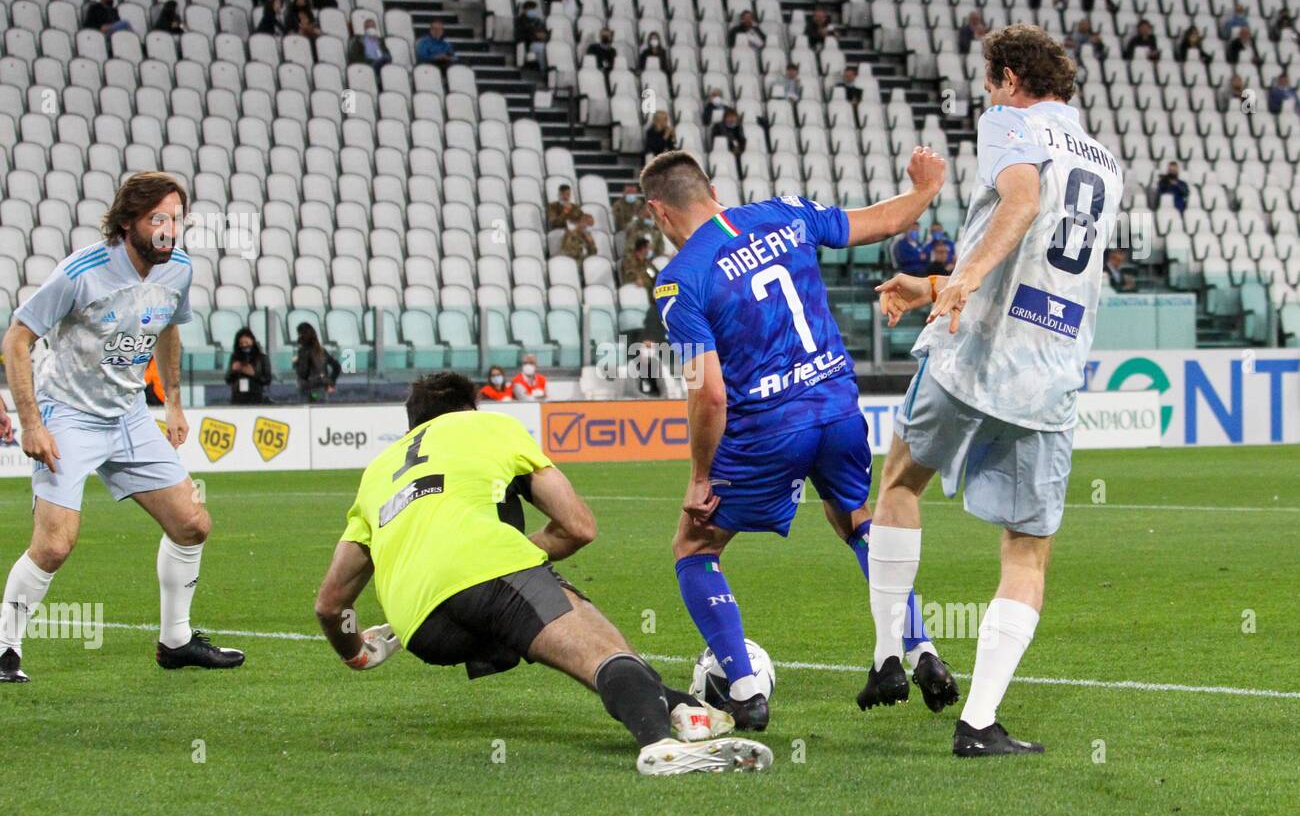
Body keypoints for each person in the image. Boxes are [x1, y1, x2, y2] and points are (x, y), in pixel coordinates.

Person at [871, 24, 1124, 756]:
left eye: (989, 79)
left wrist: (965, 285)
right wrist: (937, 285)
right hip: (1049, 370)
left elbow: (1020, 200)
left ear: (1011, 77)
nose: (986, 92)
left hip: (971, 353)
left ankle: (890, 651)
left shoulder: (1011, 123)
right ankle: (978, 723)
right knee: (1027, 550)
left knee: (897, 483)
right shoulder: (1106, 161)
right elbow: (1047, 253)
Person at [640, 145, 954, 732]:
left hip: (766, 430)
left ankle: (743, 686)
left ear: (659, 212)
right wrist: (926, 189)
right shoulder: (787, 212)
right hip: (837, 408)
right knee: (856, 519)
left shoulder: (678, 284)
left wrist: (701, 475)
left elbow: (707, 394)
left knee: (694, 548)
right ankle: (919, 649)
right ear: (709, 189)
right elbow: (885, 222)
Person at [313, 372, 770, 775]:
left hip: (420, 629)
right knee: (600, 650)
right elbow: (578, 526)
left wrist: (359, 654)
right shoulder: (490, 426)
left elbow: (330, 604)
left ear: (412, 425)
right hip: (489, 571)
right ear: (469, 409)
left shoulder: (377, 472)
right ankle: (660, 745)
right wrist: (510, 559)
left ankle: (677, 706)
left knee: (558, 639)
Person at [0, 172, 245, 683]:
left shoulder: (178, 269)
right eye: (158, 218)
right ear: (128, 221)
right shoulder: (81, 272)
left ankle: (175, 642)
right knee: (54, 545)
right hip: (66, 412)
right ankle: (4, 648)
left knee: (192, 524)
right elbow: (16, 340)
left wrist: (172, 401)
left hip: (129, 412)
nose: (168, 231)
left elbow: (169, 327)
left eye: (176, 219)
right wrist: (32, 423)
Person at [293, 322, 340, 402]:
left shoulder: (304, 351)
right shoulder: (321, 350)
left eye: (299, 334)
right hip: (321, 389)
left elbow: (303, 373)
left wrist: (296, 364)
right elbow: (337, 367)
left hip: (308, 390)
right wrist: (331, 380)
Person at [225, 327, 273, 405]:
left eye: (246, 342)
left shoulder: (262, 358)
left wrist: (253, 374)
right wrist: (233, 371)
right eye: (241, 343)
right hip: (238, 397)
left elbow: (267, 379)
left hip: (256, 397)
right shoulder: (235, 357)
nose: (244, 345)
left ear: (252, 341)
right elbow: (228, 379)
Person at [516, 0, 549, 72]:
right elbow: (521, 35)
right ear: (524, 10)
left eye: (533, 9)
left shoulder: (538, 21)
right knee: (541, 48)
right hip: (529, 44)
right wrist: (535, 35)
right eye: (530, 9)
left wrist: (544, 36)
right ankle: (544, 71)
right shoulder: (520, 20)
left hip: (542, 42)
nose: (532, 11)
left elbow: (545, 33)